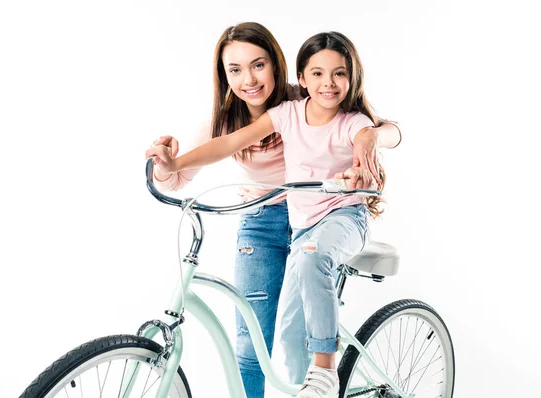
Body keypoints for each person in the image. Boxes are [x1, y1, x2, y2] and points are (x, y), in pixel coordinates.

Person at [147, 29, 397, 398]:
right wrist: (168, 164)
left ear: (279, 68)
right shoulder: (246, 120)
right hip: (264, 222)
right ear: (224, 76)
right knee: (252, 342)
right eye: (235, 70)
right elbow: (196, 164)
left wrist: (371, 137)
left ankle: (323, 373)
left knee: (298, 336)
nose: (248, 79)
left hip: (324, 219)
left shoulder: (314, 97)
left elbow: (380, 127)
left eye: (258, 65)